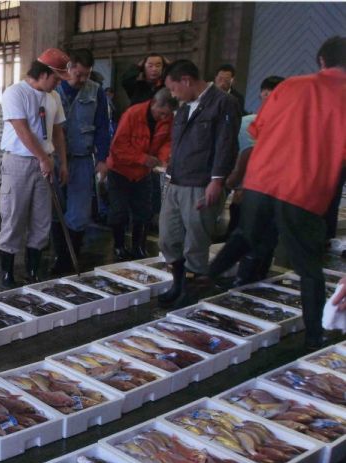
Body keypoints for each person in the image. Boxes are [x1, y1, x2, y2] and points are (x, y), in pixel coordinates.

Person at [239, 37, 345, 353]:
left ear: (322, 61)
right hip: (313, 192)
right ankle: (313, 332)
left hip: (282, 187)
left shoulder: (296, 93)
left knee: (263, 239)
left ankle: (245, 287)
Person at [157, 59, 240, 308]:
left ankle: (190, 293)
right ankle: (178, 283)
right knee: (168, 239)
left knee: (195, 242)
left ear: (186, 80)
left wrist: (217, 181)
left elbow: (226, 145)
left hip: (201, 184)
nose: (173, 94)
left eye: (174, 88)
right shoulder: (184, 109)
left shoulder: (223, 103)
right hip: (176, 182)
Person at [0, 49, 69, 287]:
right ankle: (8, 273)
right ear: (44, 73)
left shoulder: (54, 98)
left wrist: (62, 162)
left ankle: (33, 271)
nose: (58, 84)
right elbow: (22, 129)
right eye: (56, 78)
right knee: (14, 216)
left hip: (45, 163)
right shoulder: (15, 93)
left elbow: (58, 131)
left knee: (41, 220)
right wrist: (43, 158)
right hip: (19, 161)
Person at [209, 75, 285, 280]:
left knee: (258, 240)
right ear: (262, 93)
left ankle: (241, 279)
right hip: (251, 191)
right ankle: (240, 277)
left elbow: (248, 154)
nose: (271, 97)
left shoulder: (285, 124)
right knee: (247, 235)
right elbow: (236, 152)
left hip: (268, 193)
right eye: (268, 91)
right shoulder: (248, 123)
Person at [52, 48, 112, 274]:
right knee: (55, 210)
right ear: (69, 69)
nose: (83, 79)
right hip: (55, 159)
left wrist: (103, 159)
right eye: (79, 74)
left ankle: (72, 259)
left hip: (82, 159)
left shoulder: (96, 92)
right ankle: (59, 258)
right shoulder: (53, 89)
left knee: (79, 213)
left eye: (87, 74)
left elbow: (103, 127)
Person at [107, 88, 176, 259]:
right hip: (119, 170)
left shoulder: (168, 119)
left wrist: (161, 158)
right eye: (161, 113)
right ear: (153, 104)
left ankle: (139, 247)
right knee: (119, 212)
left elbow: (167, 141)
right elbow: (118, 147)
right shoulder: (132, 114)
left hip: (144, 173)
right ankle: (119, 247)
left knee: (144, 211)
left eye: (167, 115)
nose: (163, 118)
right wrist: (142, 158)